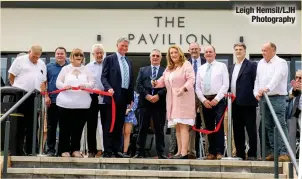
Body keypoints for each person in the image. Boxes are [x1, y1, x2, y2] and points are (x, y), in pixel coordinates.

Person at [152, 45, 195, 159]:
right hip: (173, 101)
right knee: (177, 126)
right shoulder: (169, 68)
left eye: (175, 52)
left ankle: (184, 152)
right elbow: (162, 81)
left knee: (183, 126)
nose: (173, 55)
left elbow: (191, 79)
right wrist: (155, 83)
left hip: (184, 99)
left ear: (179, 53)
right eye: (171, 53)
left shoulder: (186, 64)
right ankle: (179, 152)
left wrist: (183, 88)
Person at [253, 42, 290, 162]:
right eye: (262, 50)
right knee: (268, 126)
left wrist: (267, 88)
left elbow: (277, 78)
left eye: (265, 50)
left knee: (279, 124)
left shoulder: (281, 63)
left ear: (273, 50)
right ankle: (273, 152)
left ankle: (284, 153)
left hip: (277, 98)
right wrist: (256, 93)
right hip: (264, 98)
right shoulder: (261, 63)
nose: (263, 52)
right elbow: (257, 80)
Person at [56, 48, 95, 157]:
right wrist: (64, 86)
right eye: (76, 55)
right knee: (65, 127)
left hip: (82, 105)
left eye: (80, 55)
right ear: (72, 57)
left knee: (78, 128)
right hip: (65, 104)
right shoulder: (65, 69)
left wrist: (86, 86)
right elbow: (58, 82)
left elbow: (92, 83)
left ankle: (75, 150)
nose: (78, 57)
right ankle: (64, 150)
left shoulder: (87, 70)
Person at [8, 45, 47, 155]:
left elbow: (43, 81)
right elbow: (11, 76)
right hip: (20, 95)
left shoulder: (42, 64)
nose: (35, 59)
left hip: (34, 97)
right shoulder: (20, 60)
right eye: (33, 56)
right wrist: (16, 88)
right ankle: (16, 150)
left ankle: (31, 150)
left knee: (33, 125)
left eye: (37, 57)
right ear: (29, 52)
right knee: (19, 124)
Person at [101, 37, 134, 158]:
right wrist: (108, 88)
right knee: (110, 124)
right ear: (117, 45)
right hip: (112, 97)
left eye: (126, 46)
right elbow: (103, 77)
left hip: (124, 97)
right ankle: (108, 151)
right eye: (122, 45)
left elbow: (130, 80)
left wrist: (131, 98)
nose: (124, 48)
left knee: (119, 124)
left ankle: (117, 150)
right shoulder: (109, 59)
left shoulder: (128, 62)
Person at [195, 45, 229, 160]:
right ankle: (211, 152)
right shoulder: (201, 68)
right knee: (209, 126)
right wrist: (204, 100)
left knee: (218, 126)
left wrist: (216, 99)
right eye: (206, 52)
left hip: (218, 100)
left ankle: (219, 152)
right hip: (205, 100)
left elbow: (225, 85)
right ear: (204, 55)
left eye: (210, 52)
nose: (208, 53)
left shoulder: (222, 66)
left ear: (215, 54)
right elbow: (197, 88)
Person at [134, 49, 167, 159]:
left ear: (161, 58)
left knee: (159, 129)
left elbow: (168, 86)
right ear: (150, 57)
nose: (155, 57)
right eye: (153, 55)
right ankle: (139, 152)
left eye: (158, 55)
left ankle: (161, 153)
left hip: (159, 104)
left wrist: (158, 96)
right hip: (145, 104)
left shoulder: (165, 71)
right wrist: (147, 96)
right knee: (142, 128)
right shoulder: (143, 70)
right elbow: (138, 85)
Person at [229, 42, 258, 160]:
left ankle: (252, 154)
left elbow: (256, 81)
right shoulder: (231, 67)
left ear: (245, 51)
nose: (238, 51)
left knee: (251, 129)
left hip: (248, 102)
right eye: (236, 49)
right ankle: (240, 153)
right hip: (234, 103)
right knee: (237, 129)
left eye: (240, 49)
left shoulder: (252, 65)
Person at [45, 47, 68, 156]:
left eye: (62, 54)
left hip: (67, 101)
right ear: (55, 55)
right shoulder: (49, 67)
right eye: (58, 54)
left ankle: (62, 150)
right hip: (52, 101)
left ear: (65, 55)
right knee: (52, 126)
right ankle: (50, 150)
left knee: (65, 127)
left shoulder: (70, 67)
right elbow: (43, 83)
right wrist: (46, 96)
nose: (59, 55)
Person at [86, 44, 106, 158]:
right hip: (92, 98)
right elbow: (86, 81)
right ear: (93, 54)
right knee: (91, 125)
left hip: (106, 99)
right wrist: (94, 90)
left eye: (101, 53)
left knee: (106, 125)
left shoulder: (108, 64)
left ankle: (106, 150)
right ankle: (91, 150)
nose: (99, 55)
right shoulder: (88, 67)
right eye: (96, 53)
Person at [187, 42, 207, 158]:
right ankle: (191, 152)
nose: (194, 51)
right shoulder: (185, 63)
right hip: (189, 97)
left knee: (206, 124)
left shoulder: (206, 62)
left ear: (200, 50)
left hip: (204, 95)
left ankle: (209, 152)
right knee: (190, 124)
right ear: (189, 51)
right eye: (192, 49)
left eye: (196, 49)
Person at [286, 70, 301, 155]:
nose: (298, 80)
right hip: (292, 114)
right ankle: (291, 155)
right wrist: (293, 92)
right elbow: (287, 98)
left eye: (300, 78)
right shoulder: (291, 87)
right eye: (296, 77)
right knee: (291, 135)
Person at [123, 91, 139, 155]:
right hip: (119, 112)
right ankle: (118, 150)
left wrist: (129, 109)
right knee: (119, 133)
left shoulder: (133, 93)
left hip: (129, 114)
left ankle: (125, 151)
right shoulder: (118, 89)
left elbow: (135, 103)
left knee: (127, 133)